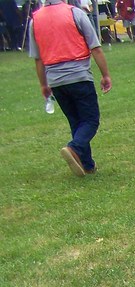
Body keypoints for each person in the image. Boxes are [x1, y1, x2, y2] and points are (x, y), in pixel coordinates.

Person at [28, 0, 112, 176]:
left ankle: (87, 165)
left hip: (56, 81)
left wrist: (43, 84)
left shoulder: (35, 21)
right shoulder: (75, 13)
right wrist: (105, 75)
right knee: (90, 120)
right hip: (79, 76)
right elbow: (95, 48)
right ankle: (73, 148)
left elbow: (38, 59)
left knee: (76, 122)